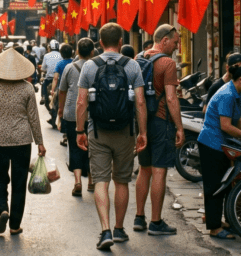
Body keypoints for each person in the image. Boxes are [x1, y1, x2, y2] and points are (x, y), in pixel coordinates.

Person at [76, 23, 148, 251]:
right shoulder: (132, 65)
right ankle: (119, 228)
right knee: (122, 180)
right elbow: (140, 101)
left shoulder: (89, 66)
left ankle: (105, 230)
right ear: (120, 42)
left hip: (97, 131)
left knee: (101, 180)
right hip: (126, 132)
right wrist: (142, 132)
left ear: (99, 43)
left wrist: (79, 131)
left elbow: (81, 102)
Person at [0, 49, 46, 236]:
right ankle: (15, 225)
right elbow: (33, 118)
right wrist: (40, 142)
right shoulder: (27, 88)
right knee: (19, 181)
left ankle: (2, 207)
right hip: (22, 140)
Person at [197, 63, 241, 240]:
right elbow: (226, 126)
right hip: (212, 144)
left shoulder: (237, 94)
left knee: (224, 185)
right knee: (214, 186)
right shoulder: (227, 95)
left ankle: (219, 222)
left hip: (222, 145)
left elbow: (237, 120)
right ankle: (214, 228)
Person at [132, 24, 184, 236]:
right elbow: (171, 98)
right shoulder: (168, 63)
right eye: (175, 42)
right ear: (164, 41)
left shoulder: (138, 59)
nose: (177, 46)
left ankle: (138, 217)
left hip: (141, 121)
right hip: (161, 122)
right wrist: (179, 126)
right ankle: (155, 222)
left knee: (144, 169)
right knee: (159, 170)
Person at [56, 37, 93, 196]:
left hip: (72, 112)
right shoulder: (96, 67)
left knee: (74, 146)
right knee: (92, 147)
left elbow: (62, 90)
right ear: (92, 52)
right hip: (92, 113)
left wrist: (60, 109)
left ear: (77, 51)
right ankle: (92, 181)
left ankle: (77, 181)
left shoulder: (69, 68)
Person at [49, 43, 74, 129]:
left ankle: (61, 125)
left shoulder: (59, 64)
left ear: (61, 53)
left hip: (61, 90)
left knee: (57, 106)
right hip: (73, 89)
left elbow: (55, 78)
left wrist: (52, 90)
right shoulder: (74, 62)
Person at [40, 41, 62, 106]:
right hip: (59, 78)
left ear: (50, 47)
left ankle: (43, 96)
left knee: (44, 83)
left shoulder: (46, 56)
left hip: (49, 78)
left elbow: (43, 68)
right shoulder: (61, 55)